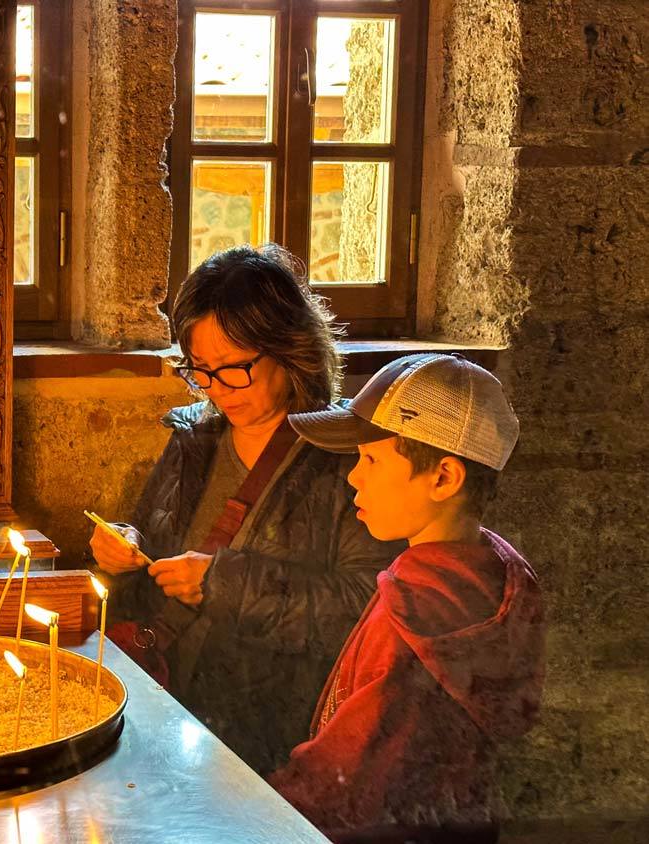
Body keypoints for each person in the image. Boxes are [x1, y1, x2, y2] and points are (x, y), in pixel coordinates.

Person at [90, 244, 402, 773]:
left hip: (269, 731)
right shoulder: (193, 436)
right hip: (168, 705)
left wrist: (224, 584)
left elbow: (364, 610)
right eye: (201, 371)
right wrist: (123, 547)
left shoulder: (346, 457)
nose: (218, 390)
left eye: (235, 368)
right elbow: (150, 539)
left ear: (291, 347)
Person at [268, 353, 545, 842]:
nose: (353, 476)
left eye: (371, 459)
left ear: (443, 478)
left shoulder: (411, 618)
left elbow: (342, 784)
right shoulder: (499, 571)